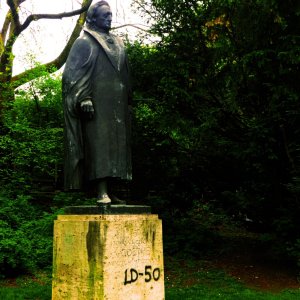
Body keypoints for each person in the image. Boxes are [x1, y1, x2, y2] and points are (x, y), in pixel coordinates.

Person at [62, 1, 132, 205]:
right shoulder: (84, 42)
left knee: (117, 147)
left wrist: (128, 100)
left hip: (117, 105)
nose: (110, 18)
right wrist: (83, 97)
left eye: (111, 14)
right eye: (105, 15)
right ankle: (100, 190)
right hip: (96, 104)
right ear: (93, 18)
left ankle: (113, 189)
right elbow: (72, 75)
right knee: (99, 145)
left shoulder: (118, 42)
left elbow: (125, 74)